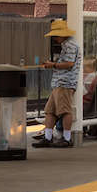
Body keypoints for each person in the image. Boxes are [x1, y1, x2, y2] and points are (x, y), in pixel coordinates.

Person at [33, 19, 81, 148]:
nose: (54, 38)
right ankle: (48, 137)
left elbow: (69, 64)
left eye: (56, 35)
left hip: (65, 83)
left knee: (65, 111)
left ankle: (67, 139)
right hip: (58, 83)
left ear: (62, 35)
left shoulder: (70, 46)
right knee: (50, 111)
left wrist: (53, 64)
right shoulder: (66, 46)